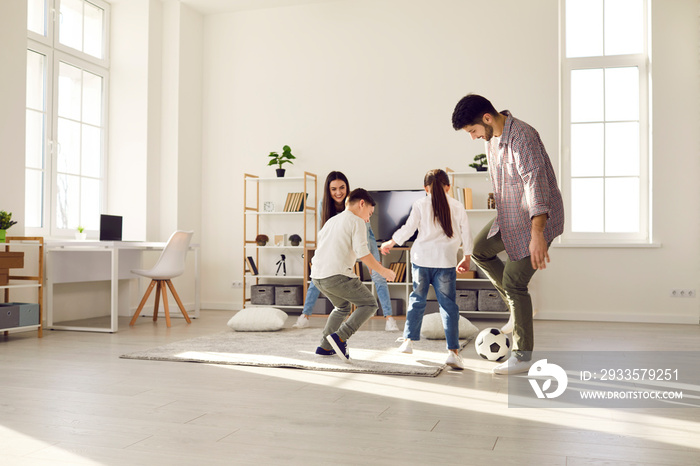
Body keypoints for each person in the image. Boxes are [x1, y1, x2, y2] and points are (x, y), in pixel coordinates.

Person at [451, 93, 564, 375]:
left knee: (515, 282)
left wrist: (537, 233)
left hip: (540, 218)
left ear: (487, 119)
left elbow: (535, 185)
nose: (474, 137)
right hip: (511, 218)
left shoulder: (523, 137)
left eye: (473, 131)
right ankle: (517, 308)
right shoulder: (492, 141)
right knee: (479, 250)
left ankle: (522, 356)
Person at [380, 169, 473, 370]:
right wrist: (466, 257)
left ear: (425, 188)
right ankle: (452, 353)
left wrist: (392, 242)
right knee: (448, 307)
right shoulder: (457, 206)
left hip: (421, 259)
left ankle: (408, 342)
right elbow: (466, 232)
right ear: (448, 187)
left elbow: (409, 228)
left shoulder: (420, 204)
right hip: (445, 262)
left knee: (417, 300)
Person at [292, 171, 400, 332]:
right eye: (333, 189)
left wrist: (375, 264)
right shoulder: (330, 208)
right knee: (366, 301)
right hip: (338, 245)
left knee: (371, 281)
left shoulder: (355, 206)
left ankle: (389, 318)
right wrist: (382, 269)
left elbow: (364, 236)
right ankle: (309, 318)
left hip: (361, 241)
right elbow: (326, 233)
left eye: (342, 187)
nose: (338, 192)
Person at [311, 188, 397, 361]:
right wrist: (383, 271)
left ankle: (325, 346)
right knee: (369, 304)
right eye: (370, 213)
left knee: (342, 307)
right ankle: (340, 337)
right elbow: (363, 253)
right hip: (337, 275)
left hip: (317, 276)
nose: (368, 218)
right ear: (362, 204)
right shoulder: (357, 221)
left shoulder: (331, 221)